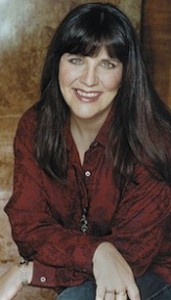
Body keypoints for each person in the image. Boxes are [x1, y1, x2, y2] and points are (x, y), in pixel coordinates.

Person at [0, 2, 171, 300]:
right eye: (77, 60)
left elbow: (129, 256)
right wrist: (98, 251)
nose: (89, 80)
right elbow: (29, 225)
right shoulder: (36, 125)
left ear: (126, 73)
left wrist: (32, 272)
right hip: (84, 274)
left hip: (155, 273)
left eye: (108, 64)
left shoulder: (154, 137)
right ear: (58, 62)